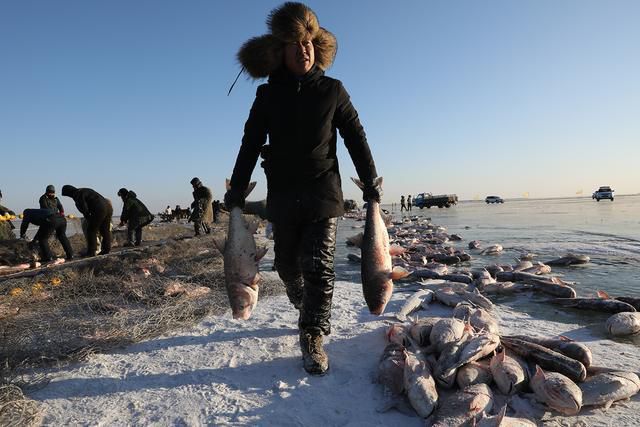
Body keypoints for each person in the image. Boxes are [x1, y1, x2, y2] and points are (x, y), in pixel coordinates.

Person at [225, 2, 381, 376]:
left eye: (308, 42)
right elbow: (249, 143)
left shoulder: (333, 90)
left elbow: (356, 138)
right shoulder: (266, 96)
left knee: (319, 267)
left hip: (323, 192)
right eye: (295, 44)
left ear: (316, 45)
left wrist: (371, 182)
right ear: (280, 52)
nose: (303, 49)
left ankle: (312, 334)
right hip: (282, 194)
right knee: (286, 266)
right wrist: (236, 194)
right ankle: (306, 305)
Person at [61, 185, 113, 256]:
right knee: (105, 230)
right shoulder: (83, 190)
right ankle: (106, 249)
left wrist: (88, 218)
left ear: (69, 192)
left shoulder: (77, 194)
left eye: (67, 195)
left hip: (99, 209)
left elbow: (83, 208)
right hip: (108, 207)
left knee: (91, 231)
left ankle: (91, 252)